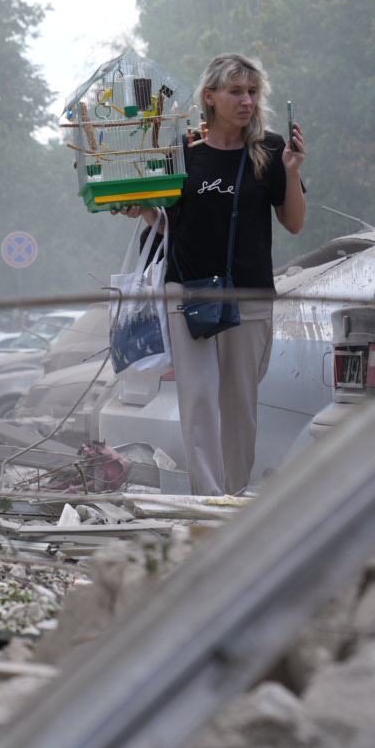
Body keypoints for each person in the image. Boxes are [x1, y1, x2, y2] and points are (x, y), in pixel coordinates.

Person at [126, 53, 306, 495]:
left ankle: (234, 493)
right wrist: (141, 208)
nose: (247, 101)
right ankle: (207, 498)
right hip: (185, 291)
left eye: (252, 92)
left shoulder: (269, 150)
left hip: (249, 294)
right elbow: (170, 225)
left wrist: (292, 171)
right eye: (236, 91)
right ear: (210, 97)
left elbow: (294, 222)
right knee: (199, 399)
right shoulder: (182, 153)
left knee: (239, 403)